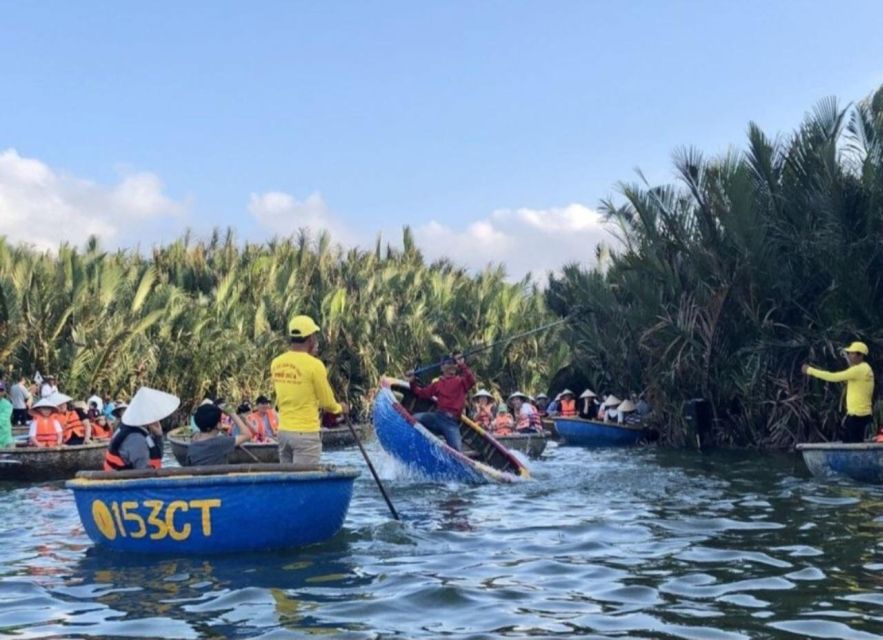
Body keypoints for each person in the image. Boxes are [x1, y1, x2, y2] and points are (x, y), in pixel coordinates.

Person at [271, 315, 346, 466]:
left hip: (283, 432)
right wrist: (341, 408)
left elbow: (281, 398)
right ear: (311, 338)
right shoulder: (315, 365)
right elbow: (327, 403)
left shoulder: (276, 363)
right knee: (304, 483)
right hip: (305, 434)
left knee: (287, 483)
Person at [802, 341, 875, 443]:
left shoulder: (859, 370)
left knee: (854, 444)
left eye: (851, 353)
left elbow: (833, 377)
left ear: (860, 355)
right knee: (850, 441)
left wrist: (810, 370)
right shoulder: (864, 369)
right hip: (860, 415)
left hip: (858, 416)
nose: (849, 355)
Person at [408, 352, 475, 451]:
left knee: (457, 450)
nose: (451, 365)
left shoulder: (461, 382)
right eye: (448, 363)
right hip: (438, 417)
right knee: (414, 418)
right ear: (442, 368)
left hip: (452, 422)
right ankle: (415, 446)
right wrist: (412, 381)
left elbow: (471, 380)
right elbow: (421, 393)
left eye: (452, 363)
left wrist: (461, 364)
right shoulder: (438, 384)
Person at [104, 387, 179, 471]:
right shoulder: (136, 438)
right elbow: (144, 471)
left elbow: (157, 456)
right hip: (129, 481)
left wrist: (158, 436)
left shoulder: (133, 429)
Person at [185, 403, 257, 466]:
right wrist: (232, 413)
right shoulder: (221, 442)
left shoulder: (193, 445)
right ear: (219, 425)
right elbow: (247, 435)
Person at [0, 383, 14, 448]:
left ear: (4, 392)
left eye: (1, 390)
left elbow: (2, 419)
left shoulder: (7, 405)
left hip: (6, 439)